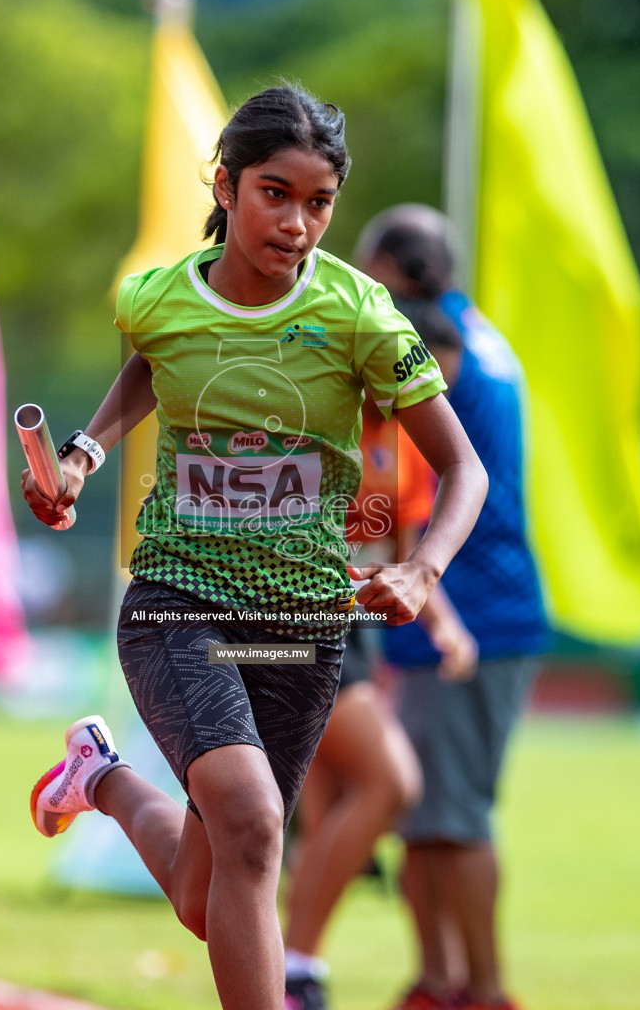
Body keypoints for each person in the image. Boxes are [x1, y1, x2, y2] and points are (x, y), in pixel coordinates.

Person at [21, 86, 488, 1010]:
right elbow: (150, 368)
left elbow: (464, 471)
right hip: (177, 603)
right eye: (276, 194)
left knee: (212, 889)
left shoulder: (362, 316)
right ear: (227, 187)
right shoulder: (157, 297)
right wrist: (80, 454)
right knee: (255, 819)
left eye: (319, 203)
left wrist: (421, 567)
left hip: (295, 631)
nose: (298, 223)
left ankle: (100, 780)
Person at [358, 206, 550, 1010]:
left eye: (369, 272)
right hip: (457, 599)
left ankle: (484, 989)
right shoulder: (480, 338)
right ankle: (439, 983)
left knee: (454, 813)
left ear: (402, 274)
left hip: (466, 606)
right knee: (426, 812)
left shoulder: (435, 346)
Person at [281, 320, 479, 1010]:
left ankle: (294, 968)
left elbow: (402, 554)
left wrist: (444, 621)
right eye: (415, 380)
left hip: (349, 634)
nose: (423, 396)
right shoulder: (310, 415)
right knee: (391, 782)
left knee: (333, 805)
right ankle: (292, 963)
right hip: (291, 623)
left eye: (437, 389)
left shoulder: (406, 446)